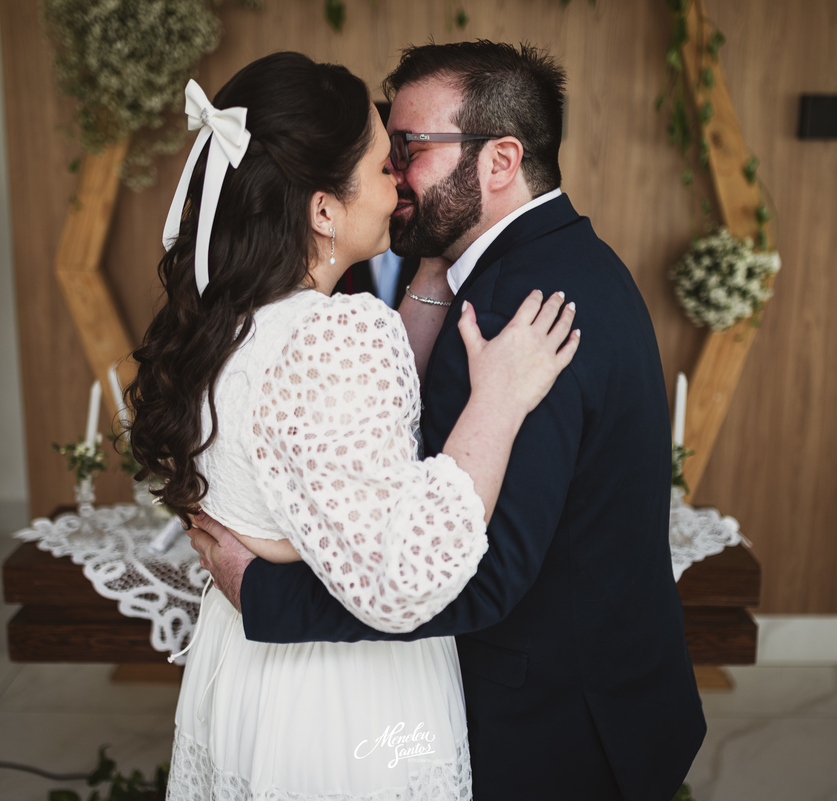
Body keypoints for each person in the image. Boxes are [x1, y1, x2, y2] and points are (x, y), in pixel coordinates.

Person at [192, 41, 707, 800]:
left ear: (500, 161)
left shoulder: (519, 313)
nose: (394, 171)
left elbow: (481, 573)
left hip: (556, 726)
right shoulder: (538, 264)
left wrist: (257, 591)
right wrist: (434, 271)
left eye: (409, 147)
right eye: (387, 150)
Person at [125, 52, 578, 800]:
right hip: (344, 701)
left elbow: (325, 433)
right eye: (380, 166)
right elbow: (402, 580)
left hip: (242, 674)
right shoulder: (340, 334)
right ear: (323, 210)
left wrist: (430, 276)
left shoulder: (219, 321)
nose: (399, 181)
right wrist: (498, 398)